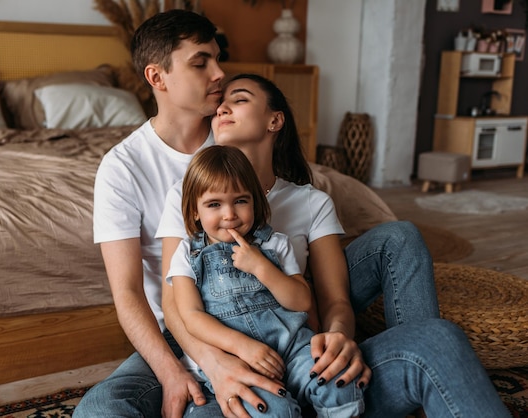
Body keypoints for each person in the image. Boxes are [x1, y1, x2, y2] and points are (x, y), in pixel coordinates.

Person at [156, 73, 510, 417]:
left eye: (240, 99)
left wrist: (339, 338)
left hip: (304, 356)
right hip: (233, 372)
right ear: (198, 210)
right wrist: (219, 363)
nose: (221, 109)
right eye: (221, 103)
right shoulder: (186, 195)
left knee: (437, 333)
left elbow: (330, 300)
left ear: (274, 120)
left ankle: (394, 390)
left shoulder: (308, 204)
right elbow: (178, 306)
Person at [74, 9, 285, 418]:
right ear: (157, 77)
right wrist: (173, 372)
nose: (219, 73)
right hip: (175, 332)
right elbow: (128, 293)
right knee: (98, 410)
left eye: (218, 58)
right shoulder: (123, 167)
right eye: (200, 62)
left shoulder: (236, 140)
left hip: (259, 315)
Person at [167, 145, 364, 417]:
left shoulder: (274, 243)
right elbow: (191, 316)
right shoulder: (187, 255)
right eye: (214, 204)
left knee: (340, 383)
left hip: (293, 347)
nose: (229, 215)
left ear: (255, 202)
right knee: (275, 411)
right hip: (238, 359)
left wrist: (262, 267)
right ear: (194, 212)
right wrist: (242, 347)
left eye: (241, 201)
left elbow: (301, 301)